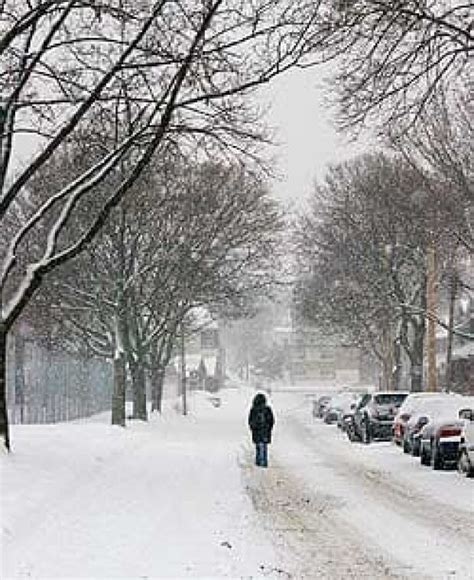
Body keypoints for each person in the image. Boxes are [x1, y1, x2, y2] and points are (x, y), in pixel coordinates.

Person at [248, 392, 275, 467]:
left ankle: (258, 462)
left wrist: (253, 428)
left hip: (256, 431)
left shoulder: (253, 409)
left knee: (258, 447)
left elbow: (250, 421)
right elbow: (272, 420)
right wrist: (269, 428)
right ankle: (264, 462)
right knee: (264, 447)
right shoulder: (267, 409)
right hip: (265, 431)